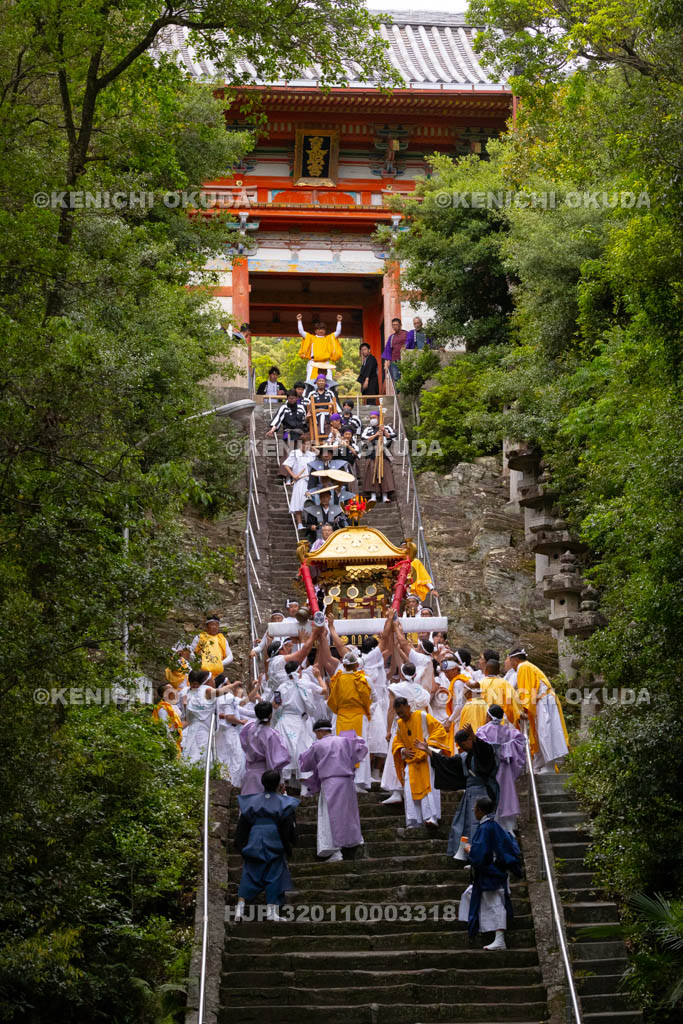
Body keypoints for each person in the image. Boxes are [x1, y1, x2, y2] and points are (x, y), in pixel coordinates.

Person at [233, 769, 299, 922]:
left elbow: (243, 824)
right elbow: (287, 826)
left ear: (262, 782)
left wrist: (240, 844)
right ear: (278, 784)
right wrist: (290, 843)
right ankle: (271, 911)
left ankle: (239, 909)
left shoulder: (251, 801)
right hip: (273, 836)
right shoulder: (284, 802)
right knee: (274, 873)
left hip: (254, 836)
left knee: (249, 871)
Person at [458, 795, 522, 950]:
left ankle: (500, 939)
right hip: (495, 870)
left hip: (491, 872)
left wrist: (467, 849)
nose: (473, 810)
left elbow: (481, 854)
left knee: (495, 903)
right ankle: (486, 929)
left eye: (475, 808)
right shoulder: (492, 826)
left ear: (480, 810)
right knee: (472, 895)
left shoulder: (486, 828)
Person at [299, 720, 367, 862]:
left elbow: (306, 763)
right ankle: (354, 840)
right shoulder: (345, 740)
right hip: (347, 781)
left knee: (330, 817)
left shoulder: (317, 745)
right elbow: (359, 750)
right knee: (349, 813)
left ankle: (335, 851)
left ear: (319, 731)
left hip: (330, 782)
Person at [427, 724, 499, 856]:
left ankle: (483, 855)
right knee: (464, 825)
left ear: (469, 741)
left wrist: (476, 739)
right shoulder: (464, 756)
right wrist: (429, 751)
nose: (462, 748)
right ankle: (466, 855)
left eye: (463, 745)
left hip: (484, 793)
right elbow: (447, 762)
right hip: (470, 794)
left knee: (480, 824)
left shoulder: (482, 751)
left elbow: (486, 752)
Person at [392, 697, 450, 829]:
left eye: (403, 712)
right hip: (411, 761)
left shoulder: (422, 716)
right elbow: (397, 741)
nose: (402, 715)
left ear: (408, 707)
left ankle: (432, 817)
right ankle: (414, 820)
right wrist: (402, 751)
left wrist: (427, 745)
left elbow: (439, 730)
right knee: (409, 790)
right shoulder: (400, 724)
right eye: (399, 713)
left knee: (428, 789)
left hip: (425, 759)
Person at [509, 647, 569, 772]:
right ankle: (539, 765)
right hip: (542, 701)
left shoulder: (523, 667)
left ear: (515, 660)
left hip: (544, 701)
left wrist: (524, 709)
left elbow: (527, 689)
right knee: (540, 733)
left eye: (510, 661)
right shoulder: (528, 666)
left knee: (545, 733)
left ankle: (550, 766)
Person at [477, 705, 527, 833]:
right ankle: (508, 827)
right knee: (506, 794)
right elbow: (521, 740)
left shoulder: (482, 731)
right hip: (505, 768)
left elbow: (480, 748)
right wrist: (506, 748)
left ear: (488, 716)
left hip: (490, 769)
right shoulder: (508, 731)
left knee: (491, 794)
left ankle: (491, 825)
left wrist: (496, 749)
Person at [181, 670, 233, 763]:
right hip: (200, 730)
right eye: (212, 680)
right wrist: (234, 685)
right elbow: (220, 692)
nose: (214, 681)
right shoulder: (204, 690)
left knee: (203, 755)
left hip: (203, 729)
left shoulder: (195, 693)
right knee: (199, 756)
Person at [239, 701, 291, 795]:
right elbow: (275, 760)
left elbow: (245, 746)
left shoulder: (250, 730)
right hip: (267, 778)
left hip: (250, 774)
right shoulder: (271, 735)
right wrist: (279, 780)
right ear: (271, 714)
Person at [297, 313, 343, 391]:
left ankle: (330, 397)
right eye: (318, 329)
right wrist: (299, 320)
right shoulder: (311, 338)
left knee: (328, 381)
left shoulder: (328, 338)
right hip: (313, 363)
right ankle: (308, 397)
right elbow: (301, 332)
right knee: (310, 381)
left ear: (325, 330)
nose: (320, 331)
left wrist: (339, 321)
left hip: (325, 363)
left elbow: (338, 332)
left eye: (322, 329)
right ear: (315, 331)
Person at [282, 437, 317, 531]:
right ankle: (299, 523)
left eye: (309, 444)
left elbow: (320, 456)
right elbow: (286, 465)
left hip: (310, 480)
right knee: (298, 501)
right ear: (301, 444)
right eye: (305, 444)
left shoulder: (312, 455)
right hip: (299, 480)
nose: (307, 446)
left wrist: (314, 449)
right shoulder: (295, 453)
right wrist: (293, 475)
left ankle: (310, 522)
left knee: (310, 501)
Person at [360, 412, 396, 502]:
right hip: (371, 453)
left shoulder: (386, 427)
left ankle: (385, 496)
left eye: (374, 417)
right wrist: (376, 435)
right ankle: (373, 496)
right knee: (371, 473)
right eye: (371, 417)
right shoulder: (367, 429)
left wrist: (384, 431)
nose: (373, 419)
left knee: (384, 473)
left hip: (383, 452)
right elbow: (364, 439)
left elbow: (392, 437)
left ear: (379, 418)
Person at [480, 659, 523, 729]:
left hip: (485, 719)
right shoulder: (505, 683)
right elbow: (514, 701)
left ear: (485, 671)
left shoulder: (480, 683)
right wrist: (518, 714)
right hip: (501, 720)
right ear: (498, 672)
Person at [152, 682, 183, 755]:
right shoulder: (162, 708)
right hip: (169, 741)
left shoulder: (174, 707)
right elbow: (165, 728)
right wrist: (172, 743)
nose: (174, 691)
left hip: (177, 739)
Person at [382, 317, 408, 383]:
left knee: (406, 377)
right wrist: (387, 363)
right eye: (393, 325)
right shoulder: (392, 337)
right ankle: (398, 393)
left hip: (404, 360)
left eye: (396, 325)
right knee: (396, 378)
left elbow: (410, 343)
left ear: (400, 325)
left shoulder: (406, 334)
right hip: (394, 361)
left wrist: (406, 346)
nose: (394, 327)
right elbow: (388, 349)